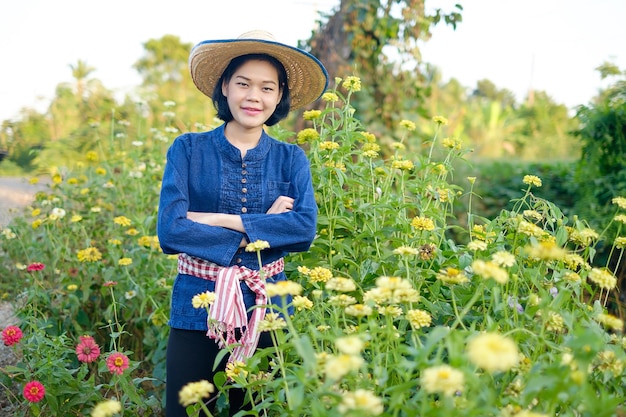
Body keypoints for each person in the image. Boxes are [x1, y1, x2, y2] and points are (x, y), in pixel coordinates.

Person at [156, 30, 329, 417]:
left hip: (268, 308)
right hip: (196, 304)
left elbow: (303, 230)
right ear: (224, 87)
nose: (254, 96)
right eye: (243, 84)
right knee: (185, 411)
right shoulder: (187, 149)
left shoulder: (291, 158)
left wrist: (220, 219)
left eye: (267, 87)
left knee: (255, 410)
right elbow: (170, 231)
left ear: (280, 95)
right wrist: (263, 226)